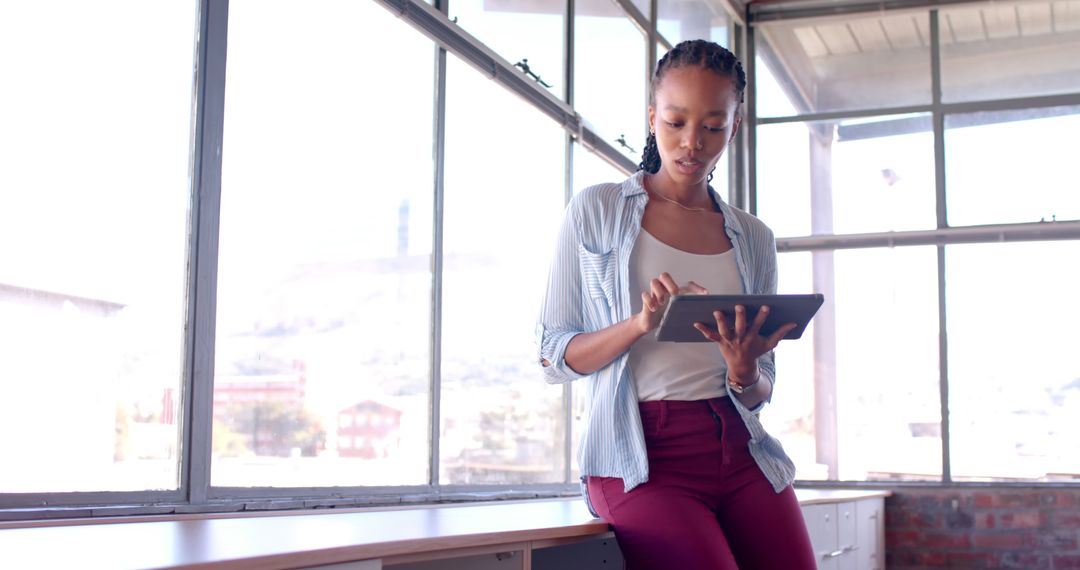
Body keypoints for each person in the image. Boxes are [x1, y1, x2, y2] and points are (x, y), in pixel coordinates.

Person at [535, 39, 817, 569]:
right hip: (638, 455)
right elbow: (552, 357)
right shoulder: (596, 211)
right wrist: (640, 323)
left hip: (741, 447)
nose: (692, 143)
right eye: (675, 122)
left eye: (713, 126)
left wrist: (742, 369)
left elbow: (760, 392)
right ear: (651, 117)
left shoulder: (754, 237)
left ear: (734, 127)